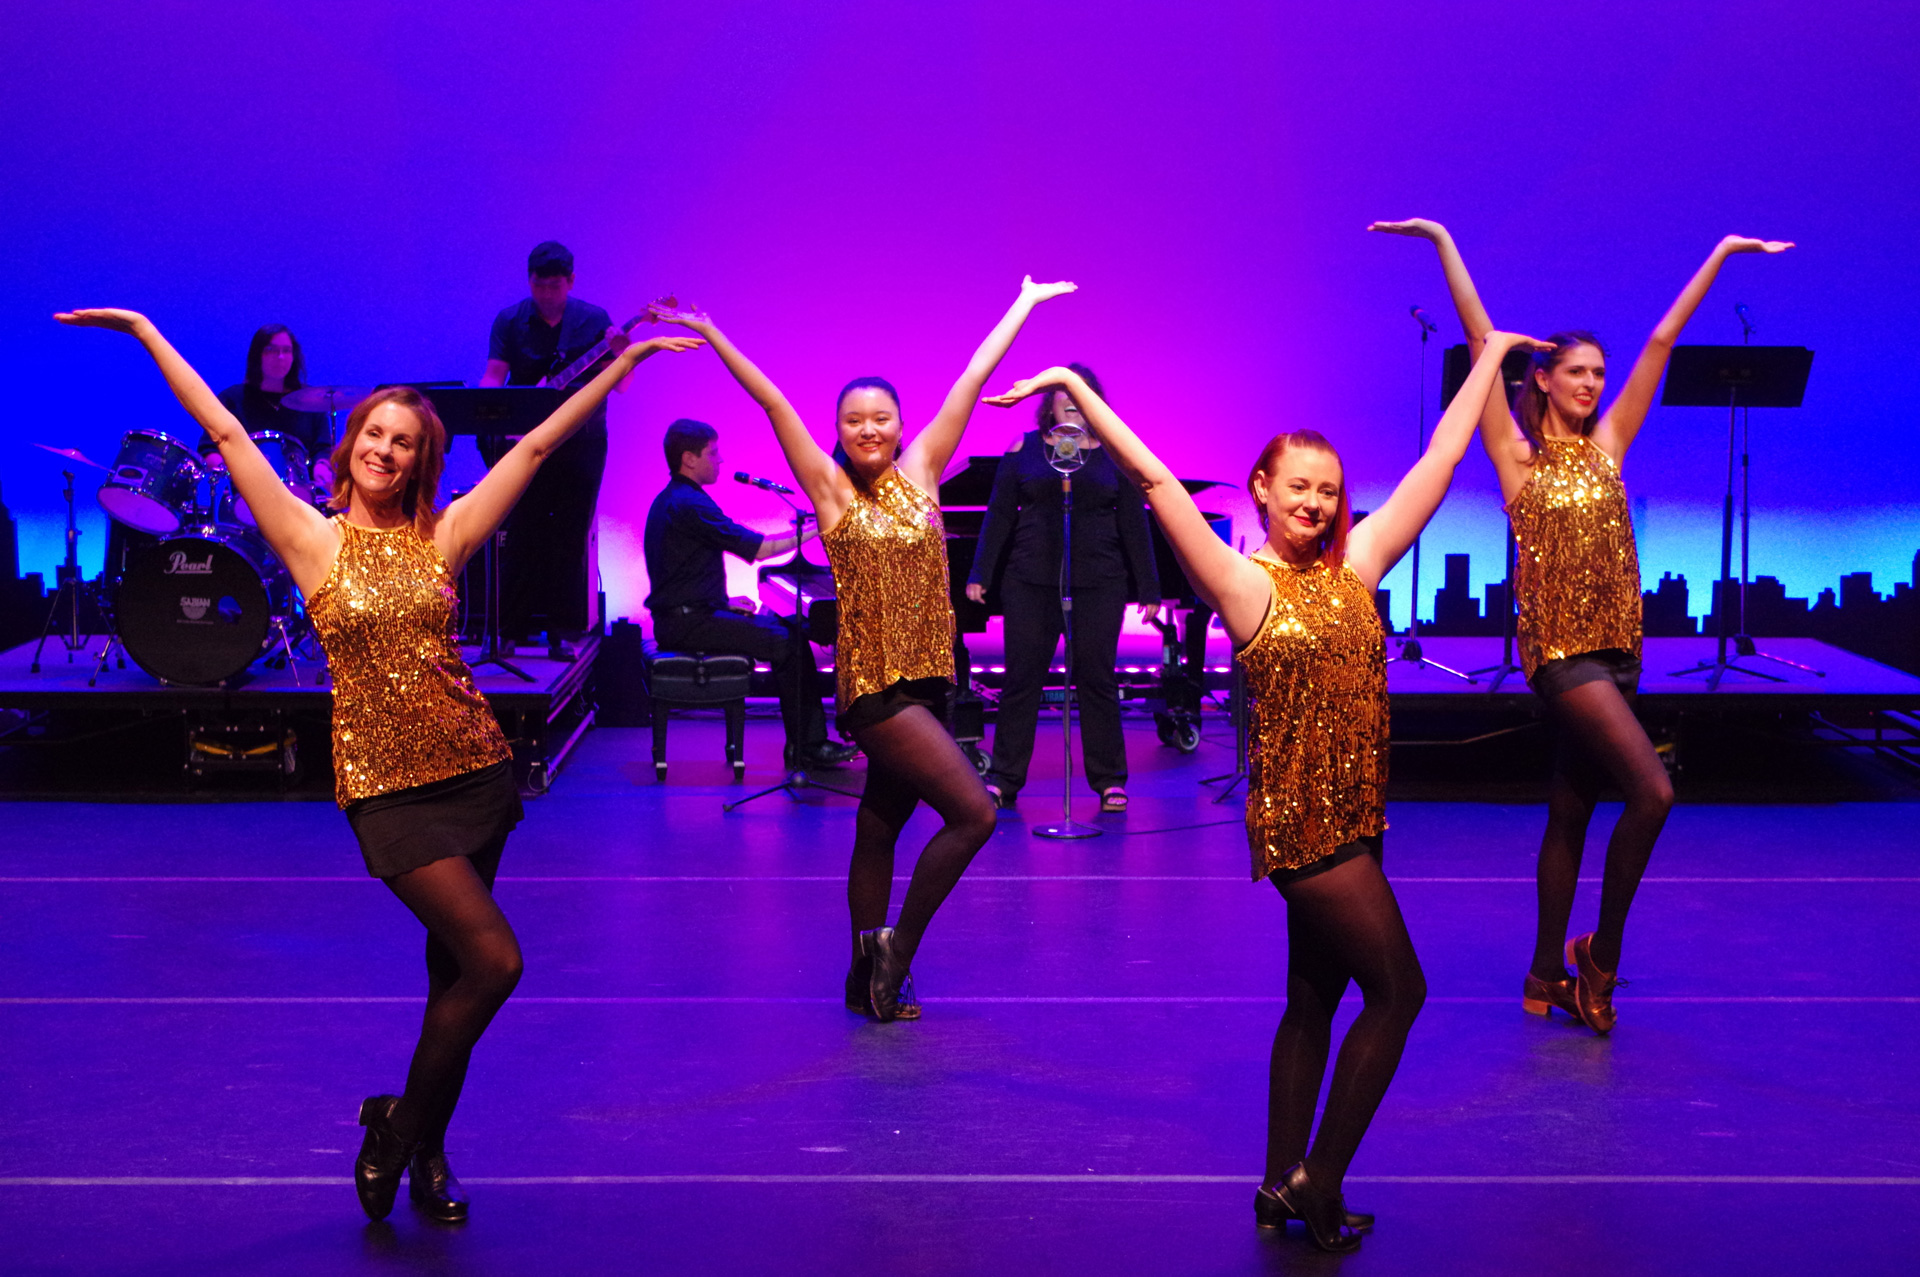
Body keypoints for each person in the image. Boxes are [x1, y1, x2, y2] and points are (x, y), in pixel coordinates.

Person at [56, 304, 701, 1222]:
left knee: (454, 982)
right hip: (387, 792)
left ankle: (426, 1146)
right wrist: (148, 333)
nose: (387, 451)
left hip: (475, 767)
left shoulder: (443, 536)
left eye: (403, 442)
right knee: (495, 961)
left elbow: (534, 448)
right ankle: (396, 1125)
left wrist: (621, 367)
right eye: (374, 434)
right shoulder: (312, 540)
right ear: (348, 443)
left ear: (418, 459)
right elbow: (228, 431)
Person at [987, 333, 1547, 1251]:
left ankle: (1275, 1186)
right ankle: (1317, 1182)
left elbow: (1443, 458)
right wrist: (1069, 392)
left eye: (1328, 489)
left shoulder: (1356, 567)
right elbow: (1160, 485)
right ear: (1261, 488)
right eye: (1298, 487)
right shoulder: (1247, 587)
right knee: (1401, 993)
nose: (1316, 503)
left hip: (1359, 817)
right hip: (1306, 830)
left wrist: (1488, 360)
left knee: (1313, 1004)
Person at [1372, 218, 1794, 1033]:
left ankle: (1540, 976)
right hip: (1562, 656)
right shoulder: (1516, 454)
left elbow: (1664, 340)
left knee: (1569, 812)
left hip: (1619, 654)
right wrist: (1443, 240)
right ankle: (1598, 957)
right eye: (1579, 371)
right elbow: (1475, 332)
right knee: (1655, 790)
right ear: (1545, 378)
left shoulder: (1609, 447)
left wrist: (1722, 252)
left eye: (1600, 371)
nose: (1595, 383)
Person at [651, 276, 1074, 1022]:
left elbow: (971, 380)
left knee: (877, 828)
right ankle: (895, 953)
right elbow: (774, 402)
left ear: (902, 424)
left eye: (881, 418)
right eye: (854, 420)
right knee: (974, 813)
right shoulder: (832, 494)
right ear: (839, 429)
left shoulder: (923, 475)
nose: (868, 429)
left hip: (930, 684)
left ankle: (860, 979)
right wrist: (715, 334)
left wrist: (1023, 303)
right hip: (876, 692)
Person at [965, 364, 1161, 813]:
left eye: (1085, 391)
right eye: (1064, 391)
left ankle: (1110, 780)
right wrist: (981, 573)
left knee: (1097, 680)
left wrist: (1149, 587)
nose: (1073, 398)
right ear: (1048, 401)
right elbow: (999, 515)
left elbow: (1135, 523)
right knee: (1021, 682)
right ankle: (1004, 778)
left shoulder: (1114, 454)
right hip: (1029, 582)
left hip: (1099, 583)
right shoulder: (1026, 448)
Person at [643, 418, 856, 769]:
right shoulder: (690, 505)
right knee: (790, 644)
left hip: (688, 614)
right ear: (689, 459)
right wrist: (819, 529)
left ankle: (806, 742)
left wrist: (723, 603)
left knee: (791, 633)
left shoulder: (675, 499)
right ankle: (809, 746)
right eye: (713, 453)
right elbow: (759, 550)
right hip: (686, 624)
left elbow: (677, 572)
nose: (721, 460)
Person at [478, 240, 628, 658]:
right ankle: (509, 630)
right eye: (539, 286)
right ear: (530, 281)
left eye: (555, 286)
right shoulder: (510, 320)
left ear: (571, 282)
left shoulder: (594, 319)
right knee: (521, 531)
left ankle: (564, 632)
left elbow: (623, 383)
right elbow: (494, 375)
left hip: (582, 439)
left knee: (569, 533)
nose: (546, 294)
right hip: (527, 441)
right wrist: (489, 417)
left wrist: (620, 355)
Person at [198, 323, 335, 489]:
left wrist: (322, 466)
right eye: (271, 350)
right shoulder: (232, 399)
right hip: (245, 495)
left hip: (300, 496)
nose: (280, 357)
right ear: (258, 355)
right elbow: (208, 449)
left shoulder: (312, 400)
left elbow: (323, 449)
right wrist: (231, 473)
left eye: (286, 351)